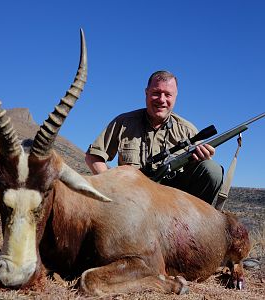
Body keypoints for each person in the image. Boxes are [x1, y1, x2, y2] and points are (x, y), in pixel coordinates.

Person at [85, 70, 223, 204]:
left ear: (175, 97)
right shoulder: (123, 122)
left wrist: (204, 158)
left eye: (168, 95)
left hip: (175, 201)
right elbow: (93, 156)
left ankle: (194, 226)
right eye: (156, 93)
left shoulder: (189, 131)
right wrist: (113, 187)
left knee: (212, 169)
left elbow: (203, 172)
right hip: (132, 198)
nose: (161, 100)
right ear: (146, 93)